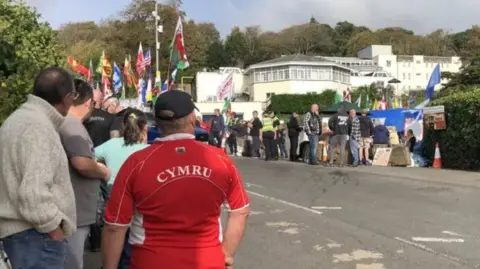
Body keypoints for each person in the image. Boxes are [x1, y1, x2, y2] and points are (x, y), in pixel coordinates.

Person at [101, 90, 250, 269]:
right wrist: (226, 255)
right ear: (192, 119)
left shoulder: (136, 162)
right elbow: (240, 211)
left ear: (156, 123)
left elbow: (115, 226)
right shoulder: (219, 158)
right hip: (207, 260)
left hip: (150, 261)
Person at [0, 67, 77, 269]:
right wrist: (54, 230)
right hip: (36, 236)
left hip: (24, 235)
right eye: (74, 96)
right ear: (67, 97)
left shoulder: (18, 119)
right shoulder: (38, 127)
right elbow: (33, 194)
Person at [59, 79, 110, 269]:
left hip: (70, 210)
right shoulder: (73, 126)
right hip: (74, 213)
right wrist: (102, 171)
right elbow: (82, 163)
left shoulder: (63, 122)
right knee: (71, 262)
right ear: (88, 103)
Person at [94, 109, 150, 269]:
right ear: (145, 127)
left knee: (114, 249)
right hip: (137, 209)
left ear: (123, 126)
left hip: (113, 205)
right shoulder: (146, 151)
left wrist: (103, 170)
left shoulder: (111, 144)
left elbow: (86, 157)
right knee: (130, 251)